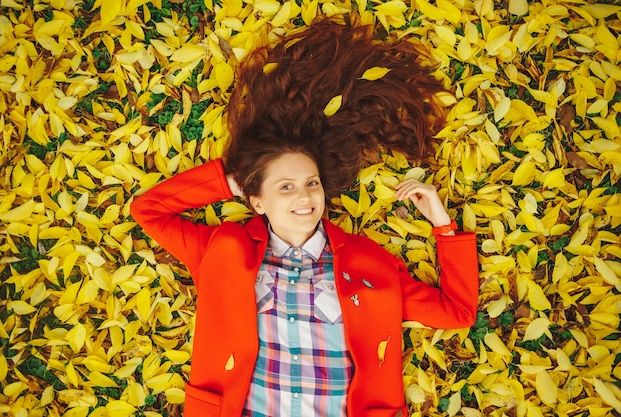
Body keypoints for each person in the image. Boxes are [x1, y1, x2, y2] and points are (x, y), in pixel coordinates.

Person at [131, 14, 479, 417]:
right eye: (286, 186)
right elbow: (148, 211)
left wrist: (443, 225)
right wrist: (227, 183)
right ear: (256, 200)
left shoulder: (370, 264)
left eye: (312, 183)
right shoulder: (221, 250)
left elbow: (457, 313)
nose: (305, 196)